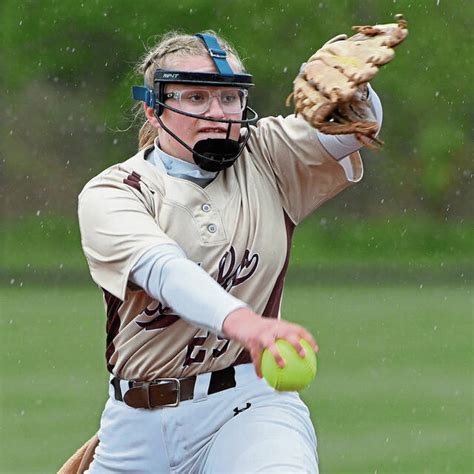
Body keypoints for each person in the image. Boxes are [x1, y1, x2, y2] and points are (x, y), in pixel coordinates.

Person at [75, 30, 382, 473]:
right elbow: (163, 271)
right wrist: (247, 325)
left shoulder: (267, 153)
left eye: (230, 98)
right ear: (154, 109)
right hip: (133, 428)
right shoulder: (116, 191)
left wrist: (357, 89)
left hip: (247, 407)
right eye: (196, 97)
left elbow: (352, 133)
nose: (217, 113)